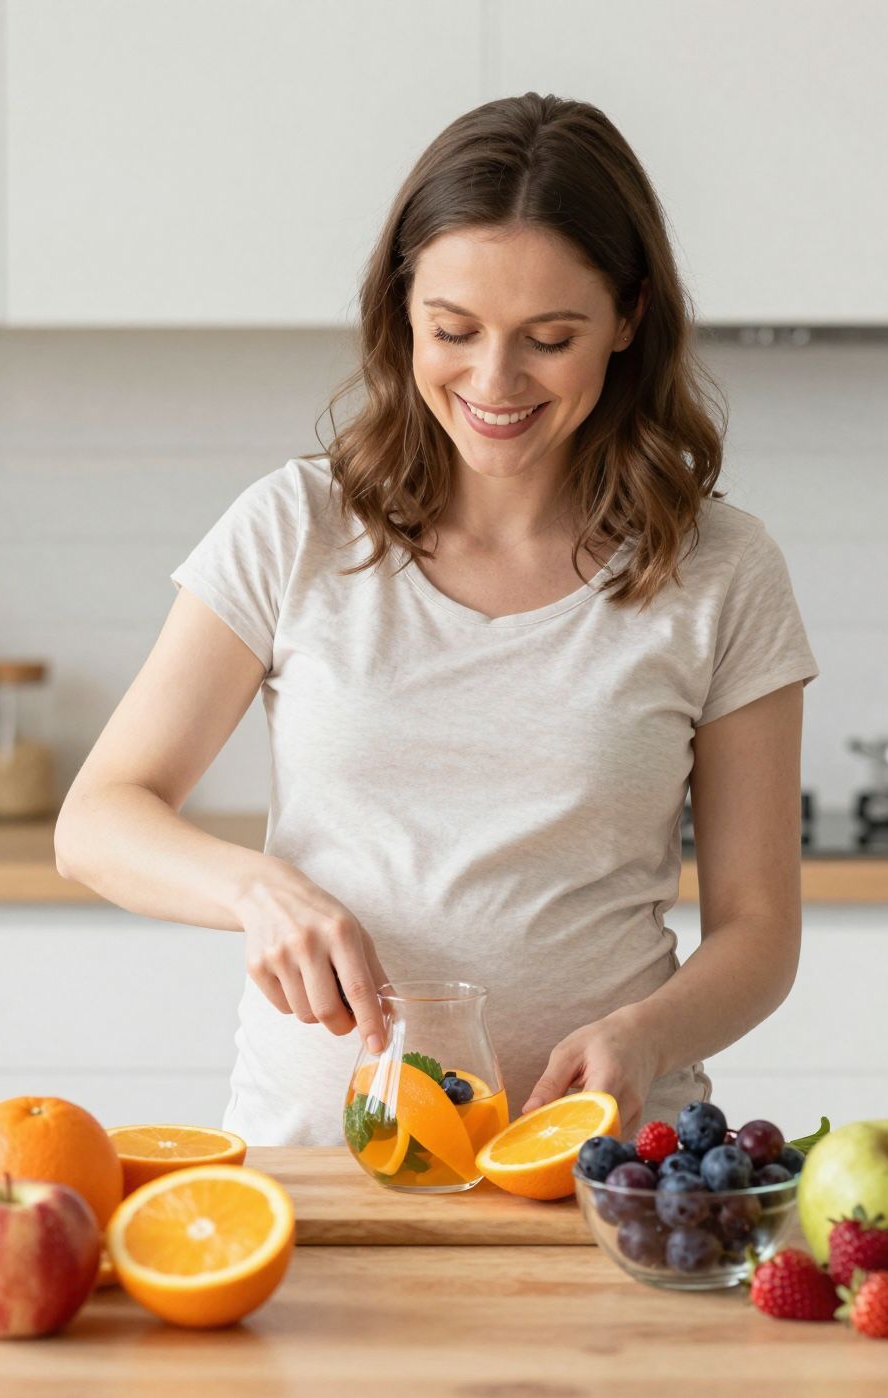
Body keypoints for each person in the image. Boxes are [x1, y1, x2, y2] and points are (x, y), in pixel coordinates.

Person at [54, 93, 817, 1145]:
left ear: (629, 319)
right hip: (319, 1168)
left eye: (549, 338)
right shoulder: (296, 527)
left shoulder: (721, 569)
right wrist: (257, 890)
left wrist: (645, 1035)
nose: (493, 382)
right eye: (451, 331)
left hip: (597, 1169)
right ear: (401, 306)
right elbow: (94, 821)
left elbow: (759, 931)